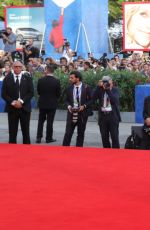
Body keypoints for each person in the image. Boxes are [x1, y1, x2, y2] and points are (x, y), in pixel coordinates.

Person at [1, 61, 34, 144]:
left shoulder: (27, 78)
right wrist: (13, 102)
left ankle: (27, 150)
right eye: (16, 66)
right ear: (12, 67)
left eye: (19, 66)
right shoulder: (7, 79)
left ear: (22, 67)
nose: (18, 68)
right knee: (12, 132)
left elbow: (31, 92)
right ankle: (12, 152)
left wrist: (21, 102)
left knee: (26, 131)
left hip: (25, 108)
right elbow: (4, 94)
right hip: (12, 109)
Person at [62, 71, 92, 147]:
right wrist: (69, 106)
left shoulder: (86, 87)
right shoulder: (69, 87)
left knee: (81, 133)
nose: (70, 79)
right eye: (70, 77)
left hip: (82, 114)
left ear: (77, 78)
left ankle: (78, 150)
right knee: (68, 132)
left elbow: (91, 99)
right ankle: (64, 149)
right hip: (71, 113)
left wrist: (84, 106)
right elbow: (65, 100)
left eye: (72, 78)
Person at [92, 75, 121, 148]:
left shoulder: (115, 90)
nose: (106, 83)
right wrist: (98, 87)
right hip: (103, 116)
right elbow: (92, 98)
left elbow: (115, 101)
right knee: (104, 138)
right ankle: (107, 153)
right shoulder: (100, 89)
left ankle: (116, 154)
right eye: (104, 82)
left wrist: (108, 90)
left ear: (111, 81)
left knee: (115, 137)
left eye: (107, 81)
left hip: (113, 116)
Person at [36, 63, 61, 144]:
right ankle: (48, 138)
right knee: (50, 122)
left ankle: (38, 138)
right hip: (52, 104)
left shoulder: (40, 80)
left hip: (42, 103)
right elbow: (58, 93)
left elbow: (38, 92)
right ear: (53, 71)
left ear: (47, 70)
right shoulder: (57, 81)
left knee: (40, 121)